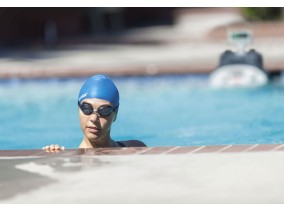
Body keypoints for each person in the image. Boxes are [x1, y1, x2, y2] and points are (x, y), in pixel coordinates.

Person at [43, 74, 146, 152]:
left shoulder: (137, 148)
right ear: (78, 109)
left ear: (115, 114)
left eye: (104, 110)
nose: (93, 118)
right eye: (87, 108)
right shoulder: (68, 161)